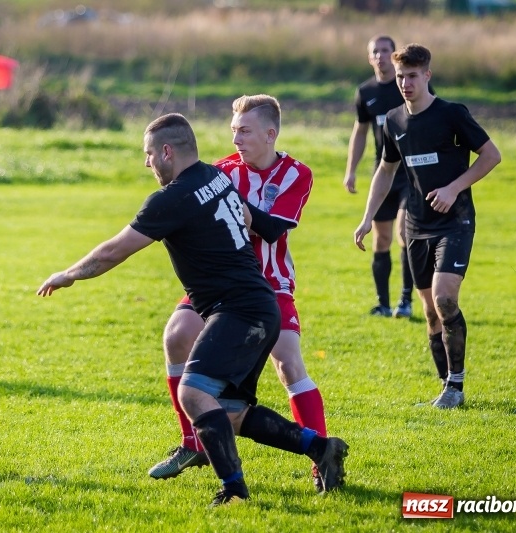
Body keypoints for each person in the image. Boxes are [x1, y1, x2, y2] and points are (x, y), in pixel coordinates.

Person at [39, 113, 348, 506]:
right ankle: (320, 448)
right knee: (231, 412)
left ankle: (234, 490)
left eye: (149, 154)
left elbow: (115, 250)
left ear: (167, 151)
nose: (147, 163)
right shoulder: (214, 176)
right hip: (257, 305)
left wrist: (69, 274)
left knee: (194, 392)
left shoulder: (173, 198)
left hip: (239, 310)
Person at [148, 95, 329, 493]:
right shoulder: (222, 171)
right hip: (222, 285)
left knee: (289, 364)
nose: (237, 140)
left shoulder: (297, 173)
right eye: (233, 131)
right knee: (176, 335)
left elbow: (273, 228)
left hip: (270, 284)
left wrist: (234, 205)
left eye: (244, 131)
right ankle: (193, 443)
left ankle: (322, 461)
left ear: (270, 133)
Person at [353, 44, 501, 409]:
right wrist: (368, 217)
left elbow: (491, 155)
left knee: (445, 297)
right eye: (401, 76)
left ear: (427, 75)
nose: (405, 83)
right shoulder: (394, 121)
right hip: (416, 226)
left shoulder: (451, 114)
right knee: (431, 313)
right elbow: (385, 171)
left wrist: (454, 188)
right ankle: (445, 387)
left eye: (412, 76)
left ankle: (456, 387)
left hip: (456, 220)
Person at [344, 35, 415, 319]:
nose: (381, 55)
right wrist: (351, 170)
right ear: (369, 57)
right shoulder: (365, 91)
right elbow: (360, 131)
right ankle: (383, 304)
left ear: (394, 54)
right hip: (384, 171)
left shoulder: (408, 85)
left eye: (386, 50)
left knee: (403, 232)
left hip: (411, 174)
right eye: (376, 51)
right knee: (381, 238)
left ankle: (406, 301)